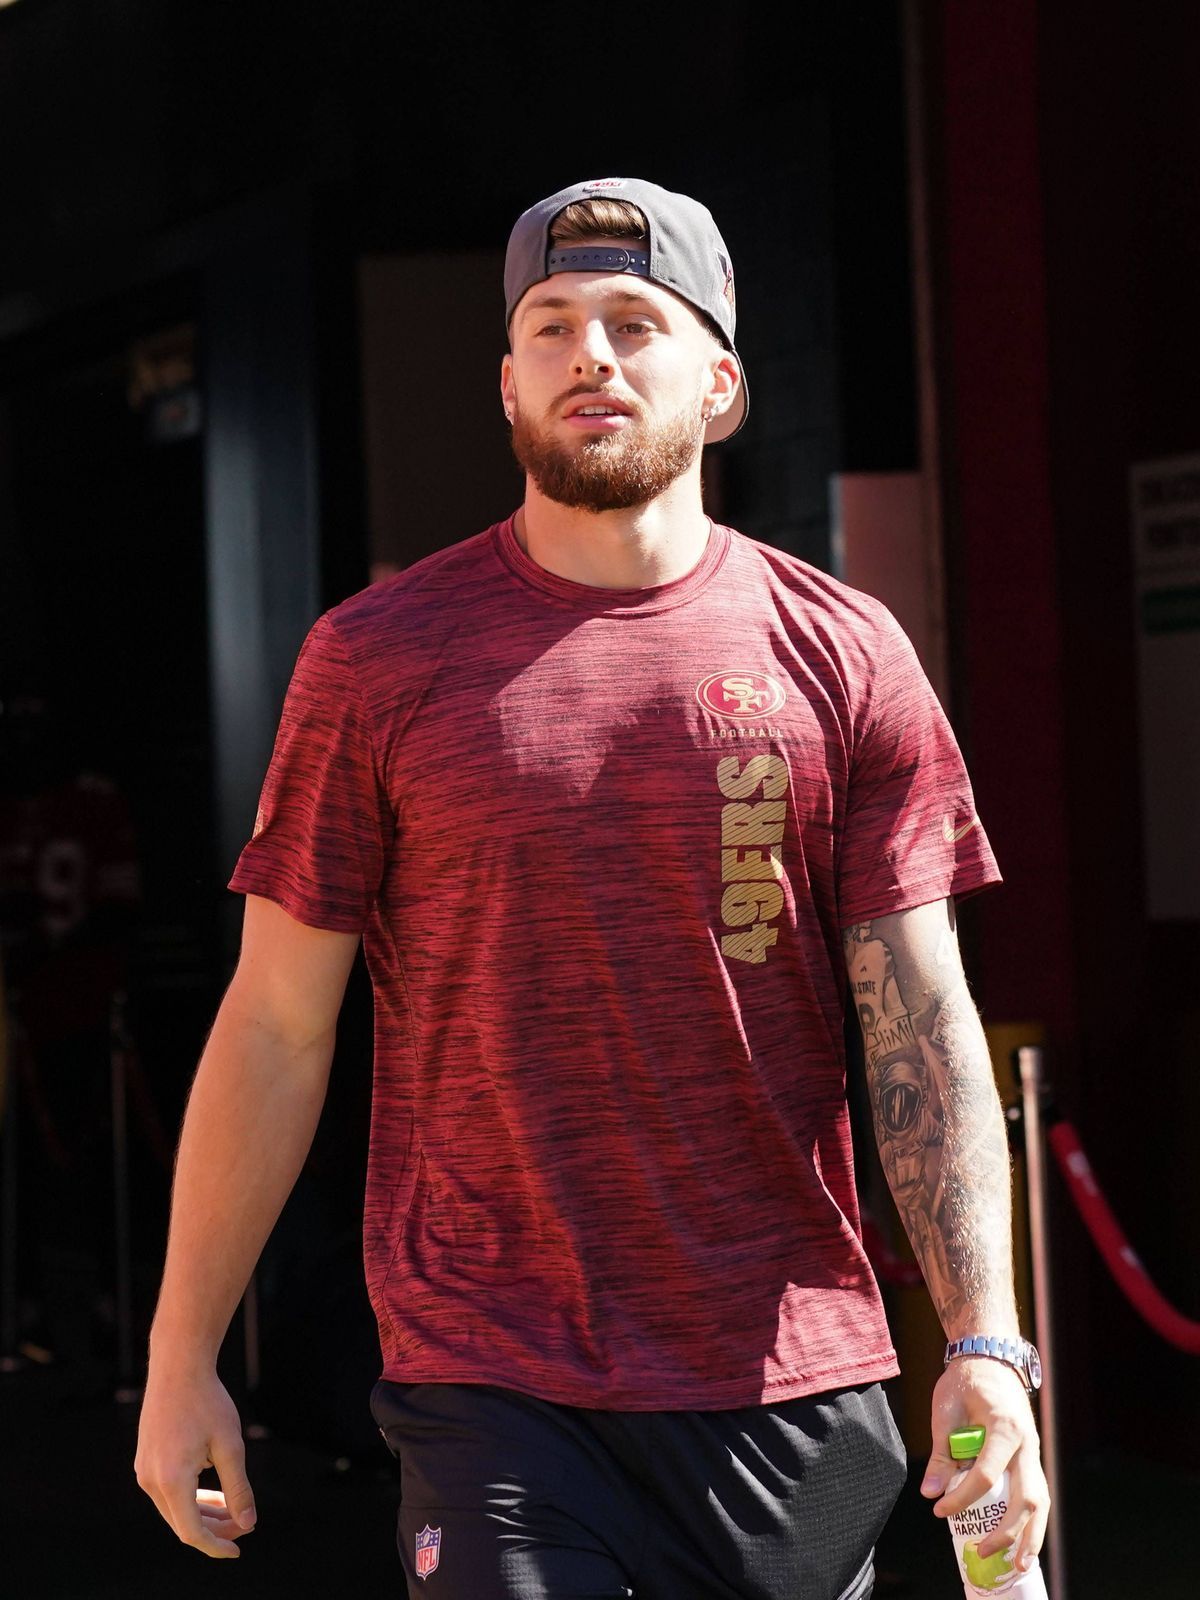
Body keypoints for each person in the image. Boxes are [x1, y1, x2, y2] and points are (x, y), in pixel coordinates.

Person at [135, 177, 1049, 1599]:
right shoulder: (377, 660)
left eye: (636, 320)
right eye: (552, 327)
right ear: (508, 385)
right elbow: (274, 1025)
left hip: (784, 1374)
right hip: (492, 1379)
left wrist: (986, 1341)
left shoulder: (846, 654)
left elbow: (920, 1021)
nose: (592, 355)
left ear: (725, 381)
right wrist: (181, 1352)